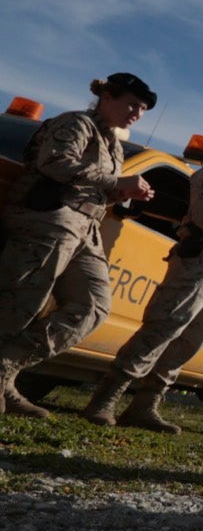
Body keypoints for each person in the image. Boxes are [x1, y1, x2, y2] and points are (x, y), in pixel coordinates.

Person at [77, 125, 203, 433]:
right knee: (163, 328)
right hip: (201, 262)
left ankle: (145, 406)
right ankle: (105, 400)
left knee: (192, 340)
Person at [0, 73, 157, 418]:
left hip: (86, 227)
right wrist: (117, 181)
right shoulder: (77, 123)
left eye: (142, 109)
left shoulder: (113, 144)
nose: (137, 113)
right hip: (50, 216)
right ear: (107, 97)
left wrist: (125, 191)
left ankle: (5, 368)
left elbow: (99, 185)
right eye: (132, 104)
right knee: (21, 303)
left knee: (93, 307)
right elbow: (53, 162)